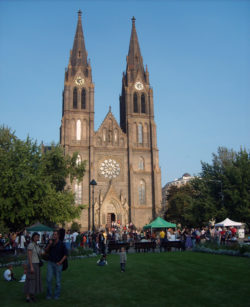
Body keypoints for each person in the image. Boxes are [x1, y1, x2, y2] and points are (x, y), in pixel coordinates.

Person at [45, 230, 68, 300]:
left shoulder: (61, 244)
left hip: (58, 264)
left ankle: (56, 295)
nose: (54, 236)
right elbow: (46, 251)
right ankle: (48, 295)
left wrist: (60, 262)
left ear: (58, 236)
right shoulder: (50, 243)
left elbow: (66, 254)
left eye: (55, 235)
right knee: (49, 279)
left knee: (58, 281)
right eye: (53, 235)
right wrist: (49, 244)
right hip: (50, 263)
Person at [24, 232, 43, 303]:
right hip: (32, 264)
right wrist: (31, 266)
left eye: (38, 237)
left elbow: (41, 253)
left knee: (35, 280)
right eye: (36, 237)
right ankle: (28, 297)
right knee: (30, 280)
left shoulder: (37, 245)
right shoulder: (31, 245)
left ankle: (32, 295)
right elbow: (29, 256)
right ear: (33, 237)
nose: (37, 238)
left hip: (37, 264)